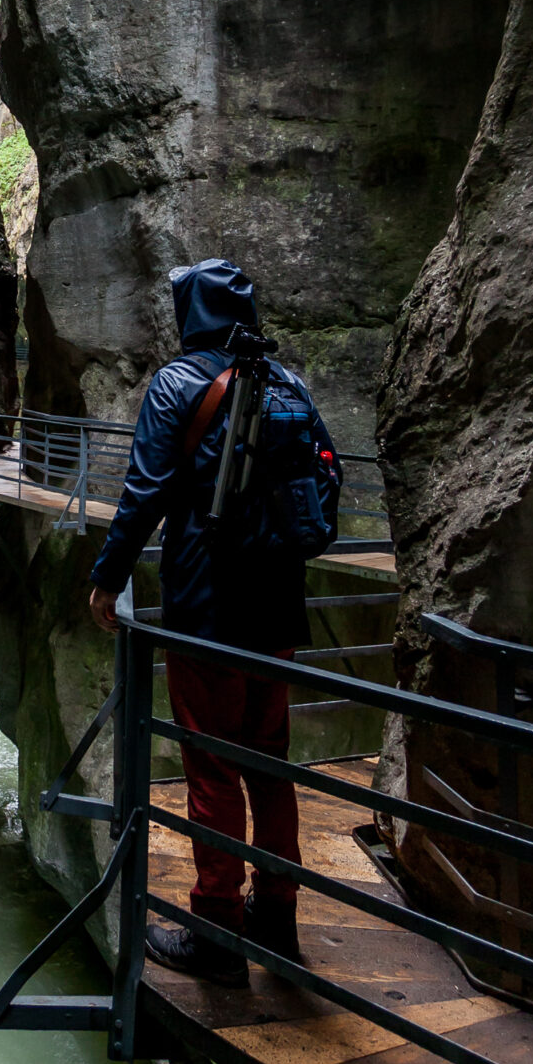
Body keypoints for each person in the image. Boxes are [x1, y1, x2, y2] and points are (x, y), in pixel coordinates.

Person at [87, 260, 340, 988]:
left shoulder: (178, 383)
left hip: (208, 604)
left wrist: (109, 576)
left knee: (212, 765)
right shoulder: (288, 383)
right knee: (269, 762)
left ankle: (216, 929)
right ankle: (278, 915)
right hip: (278, 603)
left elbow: (146, 489)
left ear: (188, 311)